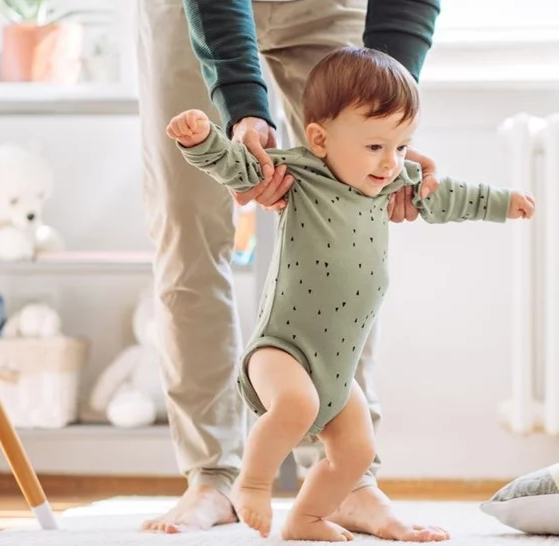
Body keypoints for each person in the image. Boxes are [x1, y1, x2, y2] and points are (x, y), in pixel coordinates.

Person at [167, 46, 536, 541]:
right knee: (295, 406)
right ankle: (250, 485)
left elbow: (446, 196)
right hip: (283, 349)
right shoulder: (298, 174)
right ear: (319, 138)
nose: (391, 163)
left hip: (338, 370)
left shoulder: (390, 184)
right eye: (375, 147)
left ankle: (308, 517)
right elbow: (239, 167)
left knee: (356, 452)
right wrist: (202, 140)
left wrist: (502, 203)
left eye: (402, 147)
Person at [136, 0, 450, 540]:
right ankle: (212, 477)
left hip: (328, 8)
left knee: (350, 227)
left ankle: (347, 482)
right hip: (198, 12)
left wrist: (387, 125)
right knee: (187, 231)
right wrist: (241, 108)